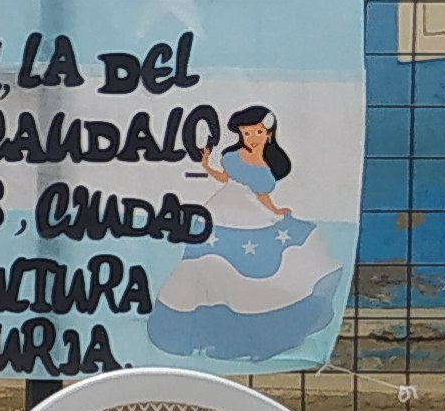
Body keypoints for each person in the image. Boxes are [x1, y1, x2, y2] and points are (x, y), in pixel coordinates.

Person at [144, 104, 348, 364]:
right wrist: (206, 165)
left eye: (257, 132)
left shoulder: (266, 167)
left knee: (248, 265)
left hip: (251, 212)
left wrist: (276, 211)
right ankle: (205, 315)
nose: (251, 137)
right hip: (221, 208)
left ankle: (253, 318)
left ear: (268, 134)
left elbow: (263, 196)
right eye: (246, 132)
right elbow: (225, 178)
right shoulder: (234, 156)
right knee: (205, 259)